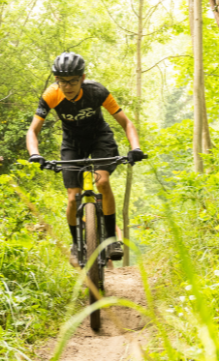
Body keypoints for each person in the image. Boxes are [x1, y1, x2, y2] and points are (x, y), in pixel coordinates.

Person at [26, 52, 146, 266]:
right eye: (62, 81)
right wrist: (34, 153)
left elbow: (126, 122)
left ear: (82, 78)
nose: (67, 86)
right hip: (72, 143)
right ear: (56, 80)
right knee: (73, 197)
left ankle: (111, 240)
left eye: (73, 81)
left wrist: (135, 148)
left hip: (100, 138)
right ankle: (76, 244)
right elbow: (33, 130)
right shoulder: (51, 95)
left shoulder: (96, 92)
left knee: (103, 182)